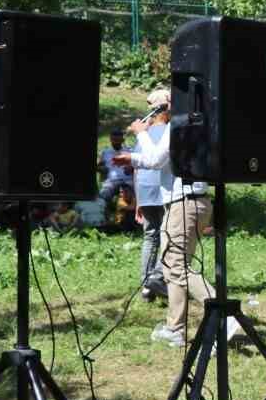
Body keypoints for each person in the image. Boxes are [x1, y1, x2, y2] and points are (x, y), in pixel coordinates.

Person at [113, 88, 237, 344]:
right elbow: (161, 161)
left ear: (168, 104)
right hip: (192, 203)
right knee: (173, 269)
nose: (152, 106)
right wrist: (132, 158)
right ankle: (175, 328)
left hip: (184, 204)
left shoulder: (177, 127)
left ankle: (224, 316)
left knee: (176, 266)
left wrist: (142, 133)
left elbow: (157, 159)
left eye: (156, 102)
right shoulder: (193, 125)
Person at [132, 91, 169, 302]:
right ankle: (157, 276)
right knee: (167, 235)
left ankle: (146, 285)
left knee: (150, 236)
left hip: (144, 189)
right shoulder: (170, 131)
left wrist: (138, 198)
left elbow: (136, 166)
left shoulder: (143, 133)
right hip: (163, 188)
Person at [97, 128, 135, 224]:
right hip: (111, 181)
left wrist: (131, 168)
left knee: (134, 194)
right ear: (110, 139)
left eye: (118, 140)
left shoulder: (129, 151)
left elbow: (137, 165)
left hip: (128, 180)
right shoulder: (105, 152)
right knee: (103, 196)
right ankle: (105, 221)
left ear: (123, 140)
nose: (116, 142)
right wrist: (102, 168)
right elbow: (99, 166)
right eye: (114, 140)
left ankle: (130, 221)